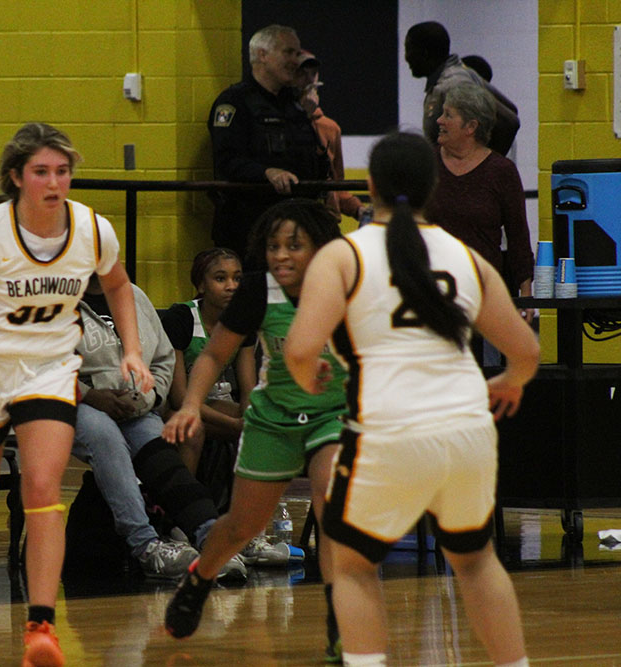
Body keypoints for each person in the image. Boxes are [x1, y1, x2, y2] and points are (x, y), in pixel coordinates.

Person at [284, 132, 539, 667]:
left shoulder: (345, 254)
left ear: (369, 185)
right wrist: (510, 381)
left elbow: (301, 347)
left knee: (353, 565)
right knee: (474, 561)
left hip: (387, 432)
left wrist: (311, 375)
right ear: (434, 187)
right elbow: (526, 350)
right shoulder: (466, 257)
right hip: (468, 432)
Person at [0, 122, 154, 667]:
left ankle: (41, 627)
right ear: (15, 178)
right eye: (41, 172)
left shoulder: (93, 230)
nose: (54, 182)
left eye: (63, 171)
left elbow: (118, 285)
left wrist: (133, 350)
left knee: (43, 485)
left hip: (49, 370)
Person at [162, 199, 342, 661]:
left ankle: (341, 625)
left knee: (334, 514)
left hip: (331, 417)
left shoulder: (348, 285)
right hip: (272, 419)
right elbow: (212, 355)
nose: (280, 255)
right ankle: (201, 578)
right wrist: (191, 405)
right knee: (242, 525)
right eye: (274, 246)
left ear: (319, 248)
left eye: (293, 246)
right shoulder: (260, 290)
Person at [72, 272, 249, 582]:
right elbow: (41, 365)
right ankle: (146, 545)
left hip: (136, 405)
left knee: (157, 443)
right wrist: (92, 396)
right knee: (106, 437)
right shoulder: (56, 301)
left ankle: (210, 536)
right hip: (77, 403)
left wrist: (149, 396)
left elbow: (164, 358)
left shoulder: (134, 296)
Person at [424, 83, 534, 363]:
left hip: (484, 296)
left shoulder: (501, 172)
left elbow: (518, 235)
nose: (439, 120)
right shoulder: (426, 165)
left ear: (471, 126)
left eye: (448, 115)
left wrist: (526, 296)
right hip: (435, 296)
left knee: (485, 377)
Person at [208, 24, 330, 265]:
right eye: (288, 52)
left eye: (297, 54)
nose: (295, 61)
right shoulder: (235, 103)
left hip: (296, 224)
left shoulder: (294, 105)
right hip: (250, 228)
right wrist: (267, 173)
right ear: (262, 55)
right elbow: (226, 161)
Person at [161, 247, 255, 476]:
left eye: (237, 278)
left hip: (212, 401)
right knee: (192, 429)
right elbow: (179, 398)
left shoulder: (243, 320)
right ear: (201, 285)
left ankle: (241, 505)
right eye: (221, 279)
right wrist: (232, 424)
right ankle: (181, 503)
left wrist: (251, 419)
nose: (231, 286)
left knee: (265, 428)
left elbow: (248, 389)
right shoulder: (180, 318)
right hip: (170, 407)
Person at [404, 21, 519, 156]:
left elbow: (510, 122)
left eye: (408, 49)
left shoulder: (453, 84)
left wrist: (485, 167)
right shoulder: (463, 73)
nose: (406, 57)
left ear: (424, 53)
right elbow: (511, 112)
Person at [291, 51, 367, 223]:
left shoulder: (329, 128)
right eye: (302, 73)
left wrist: (359, 210)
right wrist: (304, 116)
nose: (309, 79)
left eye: (313, 73)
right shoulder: (283, 124)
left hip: (325, 221)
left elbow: (336, 185)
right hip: (294, 216)